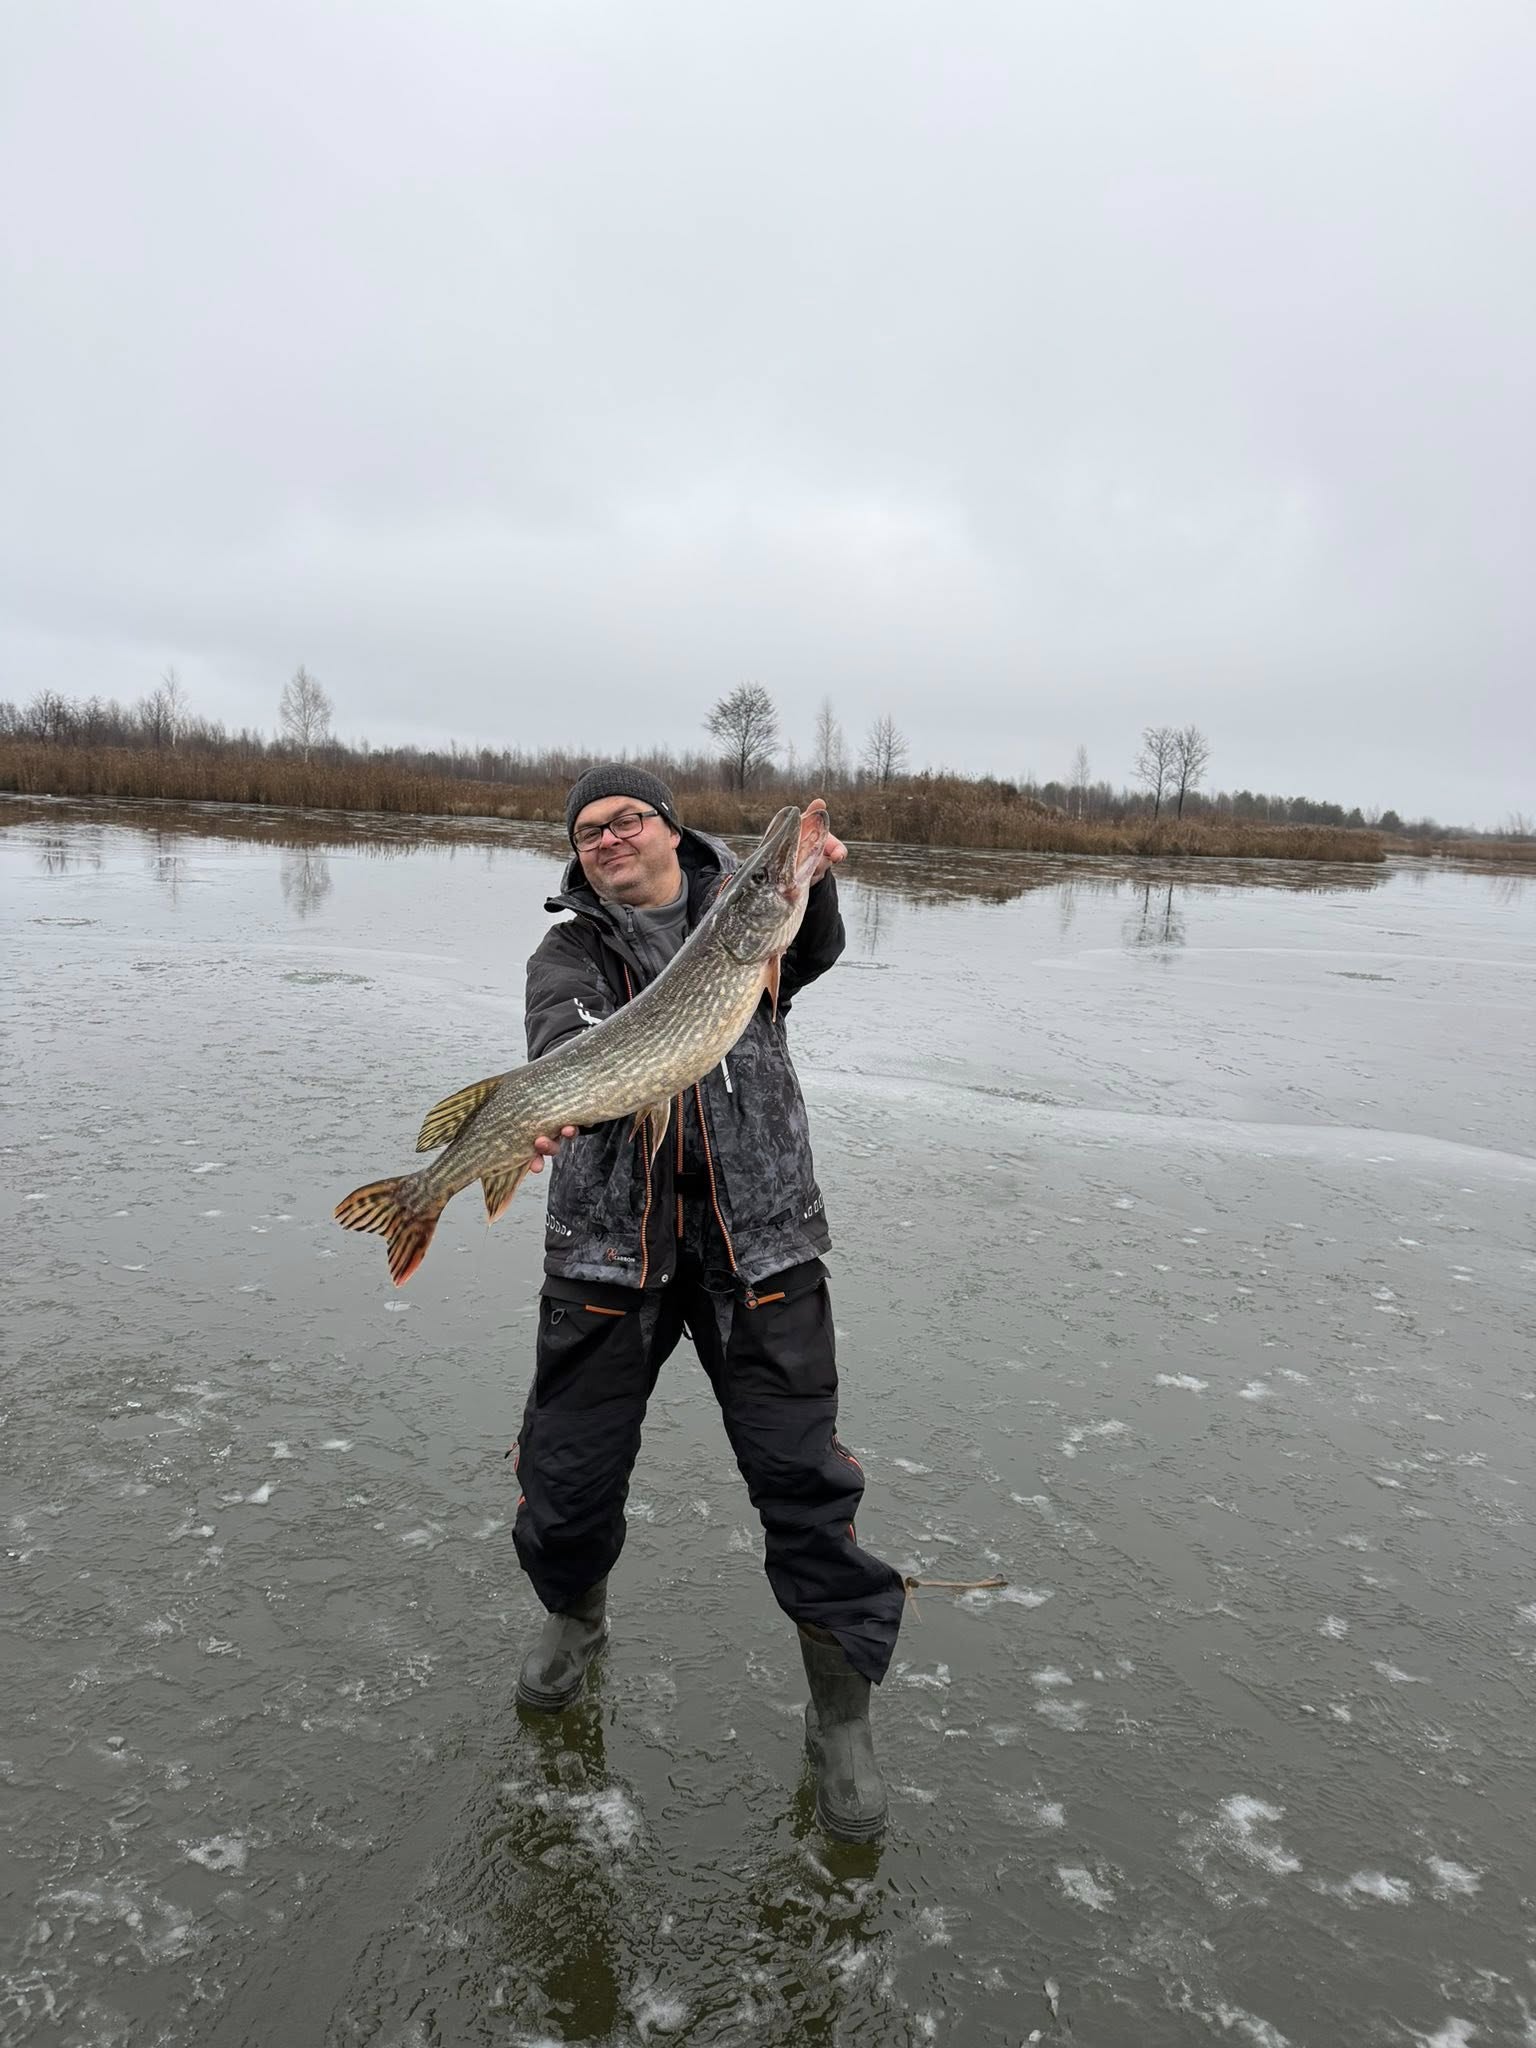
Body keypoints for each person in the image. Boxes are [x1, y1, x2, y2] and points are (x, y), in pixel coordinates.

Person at [509, 764, 905, 1840]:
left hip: (759, 1242)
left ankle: (841, 1719)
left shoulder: (746, 926)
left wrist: (809, 876)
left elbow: (810, 944)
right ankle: (573, 1619)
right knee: (567, 1472)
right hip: (609, 1251)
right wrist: (558, 1097)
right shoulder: (568, 952)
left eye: (626, 818)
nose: (607, 838)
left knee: (806, 1483)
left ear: (672, 830)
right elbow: (562, 1040)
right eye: (588, 830)